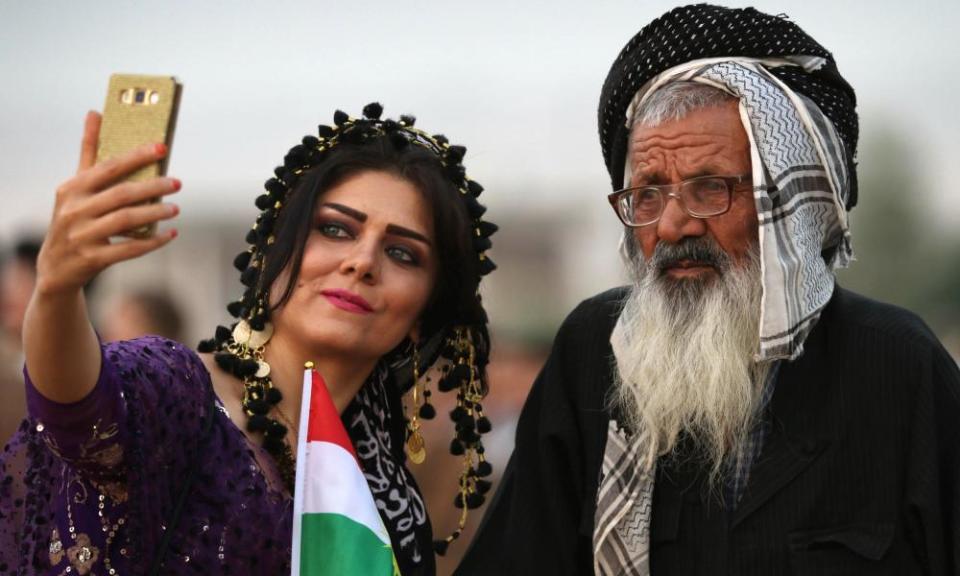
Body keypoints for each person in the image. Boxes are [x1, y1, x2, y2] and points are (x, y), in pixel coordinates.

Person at [458, 5, 960, 575]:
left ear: (791, 212)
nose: (673, 226)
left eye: (710, 189)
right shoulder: (596, 352)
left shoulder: (899, 366)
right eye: (647, 193)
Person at [0, 103, 498, 575]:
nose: (362, 262)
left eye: (403, 254)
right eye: (335, 229)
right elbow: (73, 406)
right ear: (274, 250)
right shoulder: (180, 390)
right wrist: (58, 289)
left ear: (425, 312)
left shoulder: (390, 498)